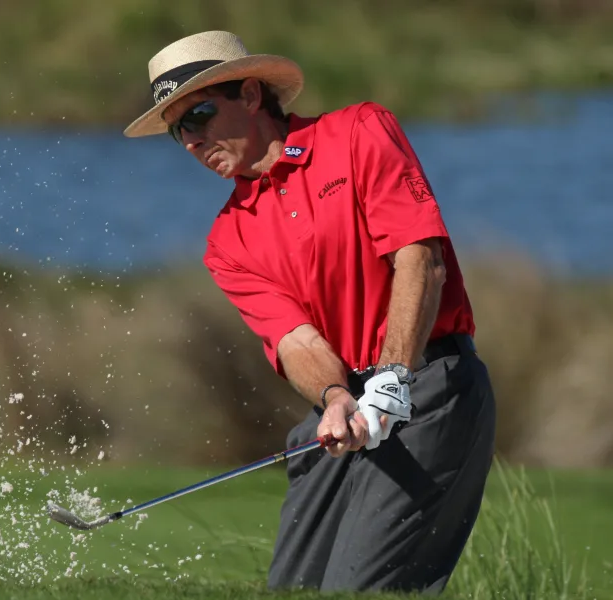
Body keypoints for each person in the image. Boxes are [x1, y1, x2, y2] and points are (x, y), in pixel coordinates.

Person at [122, 30, 497, 594]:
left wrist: (394, 377)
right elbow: (297, 342)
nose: (192, 142)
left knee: (364, 587)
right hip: (345, 417)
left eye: (199, 115)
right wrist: (335, 397)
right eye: (178, 131)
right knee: (293, 590)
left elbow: (421, 259)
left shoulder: (357, 133)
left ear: (251, 95)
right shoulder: (228, 241)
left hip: (429, 387)